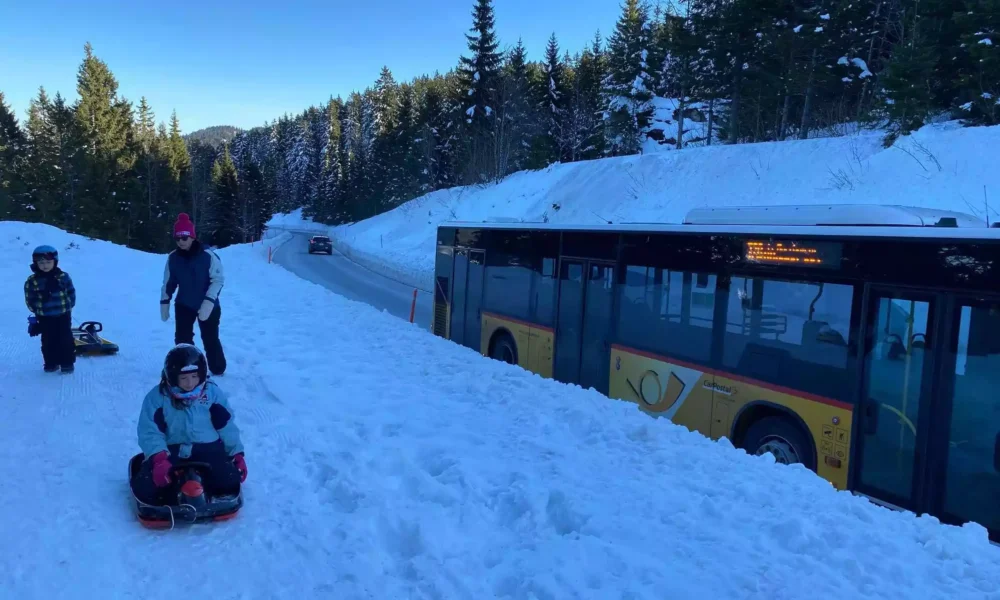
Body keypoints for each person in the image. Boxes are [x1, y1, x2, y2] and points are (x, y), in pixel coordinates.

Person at [130, 344, 247, 506]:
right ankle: (172, 490)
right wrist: (159, 458)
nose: (190, 383)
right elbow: (150, 431)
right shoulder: (157, 398)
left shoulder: (212, 393)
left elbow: (226, 425)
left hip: (208, 449)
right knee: (146, 487)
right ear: (172, 376)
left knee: (229, 480)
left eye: (194, 377)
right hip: (171, 452)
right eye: (183, 378)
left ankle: (203, 485)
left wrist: (237, 454)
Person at [160, 213, 227, 375]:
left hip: (209, 306)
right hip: (184, 304)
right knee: (183, 340)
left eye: (184, 238)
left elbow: (218, 280)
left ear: (192, 237)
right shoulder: (173, 258)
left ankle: (217, 368)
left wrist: (208, 302)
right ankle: (186, 367)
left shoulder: (208, 256)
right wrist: (165, 302)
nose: (181, 242)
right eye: (177, 239)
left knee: (210, 338)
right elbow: (169, 282)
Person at [24, 245, 76, 374]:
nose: (45, 265)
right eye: (41, 262)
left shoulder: (63, 277)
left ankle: (67, 363)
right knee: (48, 340)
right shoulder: (32, 281)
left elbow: (71, 292)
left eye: (48, 262)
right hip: (45, 316)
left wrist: (69, 305)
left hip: (63, 314)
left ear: (55, 262)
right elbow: (30, 298)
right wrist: (36, 311)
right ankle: (51, 363)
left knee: (65, 339)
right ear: (36, 263)